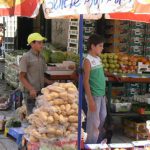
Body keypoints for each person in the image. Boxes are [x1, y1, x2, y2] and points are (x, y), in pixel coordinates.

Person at [19, 33, 52, 115]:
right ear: (32, 44)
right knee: (31, 118)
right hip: (30, 94)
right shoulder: (26, 58)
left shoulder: (42, 57)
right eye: (39, 43)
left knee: (39, 118)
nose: (42, 45)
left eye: (42, 42)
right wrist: (31, 89)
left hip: (40, 92)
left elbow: (41, 76)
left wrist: (52, 84)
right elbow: (21, 77)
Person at [83, 34, 107, 144]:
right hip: (94, 96)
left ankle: (97, 142)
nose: (102, 48)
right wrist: (90, 100)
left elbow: (99, 74)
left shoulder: (98, 58)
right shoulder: (87, 61)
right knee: (93, 122)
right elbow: (85, 81)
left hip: (101, 95)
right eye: (100, 46)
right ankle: (90, 144)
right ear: (93, 46)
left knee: (102, 117)